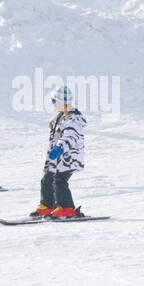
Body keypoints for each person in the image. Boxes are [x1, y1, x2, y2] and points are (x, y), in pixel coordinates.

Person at [29, 86, 87, 218]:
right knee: (46, 179)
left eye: (55, 102)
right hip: (56, 158)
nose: (53, 105)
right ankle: (47, 206)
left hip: (68, 157)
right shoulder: (60, 118)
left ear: (63, 102)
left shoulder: (72, 119)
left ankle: (66, 208)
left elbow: (71, 136)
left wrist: (60, 147)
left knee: (59, 181)